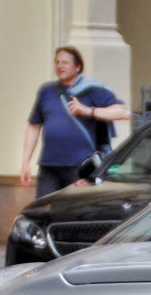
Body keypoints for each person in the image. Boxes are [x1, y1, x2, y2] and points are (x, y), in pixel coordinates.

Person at [20, 46, 127, 197]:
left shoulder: (92, 90)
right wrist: (25, 162)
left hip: (80, 167)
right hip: (49, 166)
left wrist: (89, 111)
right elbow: (34, 126)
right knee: (44, 211)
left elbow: (123, 112)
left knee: (75, 213)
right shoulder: (46, 91)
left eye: (65, 62)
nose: (59, 66)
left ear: (77, 67)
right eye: (57, 62)